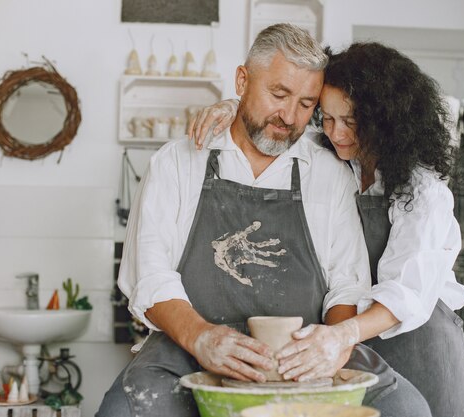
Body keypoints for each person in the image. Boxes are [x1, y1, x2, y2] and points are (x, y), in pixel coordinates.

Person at [97, 26, 431, 417]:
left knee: (406, 409)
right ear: (242, 80)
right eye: (278, 94)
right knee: (125, 410)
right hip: (189, 344)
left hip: (300, 352)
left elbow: (347, 284)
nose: (289, 117)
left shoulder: (327, 171)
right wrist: (201, 338)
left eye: (307, 104)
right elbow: (149, 277)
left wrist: (327, 348)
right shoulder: (178, 162)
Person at [189, 41, 464, 417]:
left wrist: (342, 335)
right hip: (350, 336)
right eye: (327, 117)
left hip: (419, 336)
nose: (337, 133)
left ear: (384, 119)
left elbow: (408, 293)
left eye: (351, 121)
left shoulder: (421, 189)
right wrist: (233, 109)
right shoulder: (337, 159)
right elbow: (275, 126)